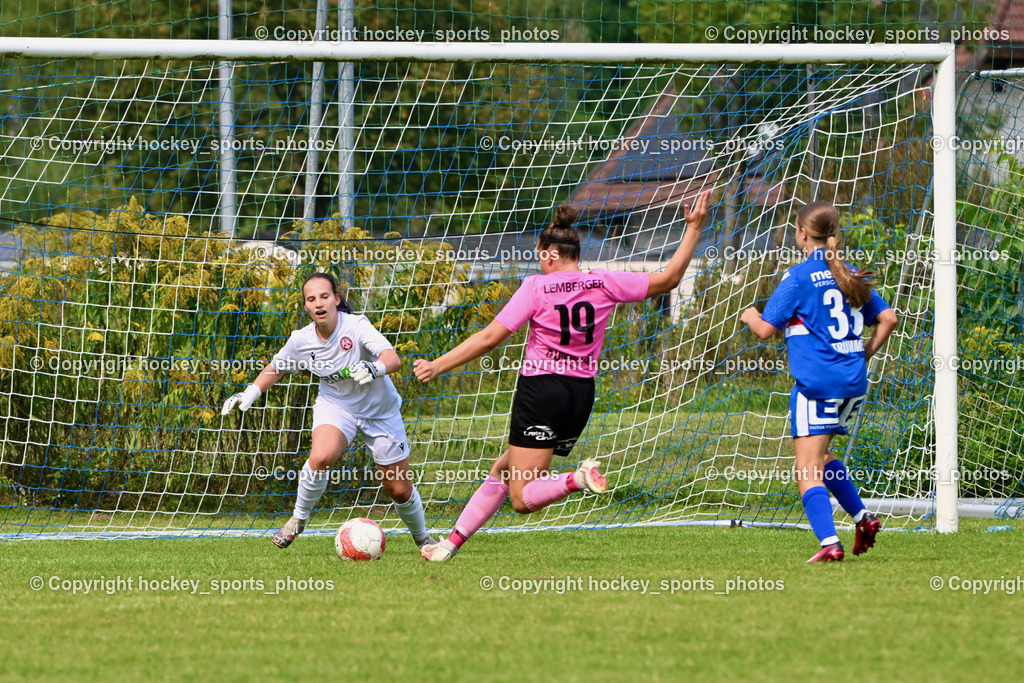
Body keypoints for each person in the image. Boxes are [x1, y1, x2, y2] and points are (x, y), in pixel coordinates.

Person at [413, 191, 711, 561]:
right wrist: (693, 228)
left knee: (522, 497)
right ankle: (449, 545)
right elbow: (669, 278)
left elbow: (490, 338)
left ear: (549, 253)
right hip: (580, 395)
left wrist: (437, 365)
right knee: (504, 469)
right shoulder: (603, 281)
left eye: (540, 255)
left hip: (542, 391)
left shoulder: (536, 287)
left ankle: (577, 479)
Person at [221, 272, 435, 550]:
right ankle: (298, 519)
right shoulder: (301, 339)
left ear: (336, 299)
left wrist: (374, 368)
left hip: (380, 411)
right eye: (311, 299)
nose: (319, 303)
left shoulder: (356, 326)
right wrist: (249, 392)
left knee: (398, 489)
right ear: (305, 306)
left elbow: (392, 359)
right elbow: (276, 367)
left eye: (324, 296)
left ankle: (422, 538)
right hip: (336, 406)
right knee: (320, 457)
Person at [740, 201, 898, 562]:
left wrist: (750, 315)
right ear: (833, 234)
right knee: (822, 457)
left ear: (801, 233)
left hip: (817, 386)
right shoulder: (850, 273)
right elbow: (888, 318)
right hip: (852, 384)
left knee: (807, 468)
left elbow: (764, 330)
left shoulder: (797, 277)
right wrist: (861, 355)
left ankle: (829, 542)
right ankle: (863, 518)